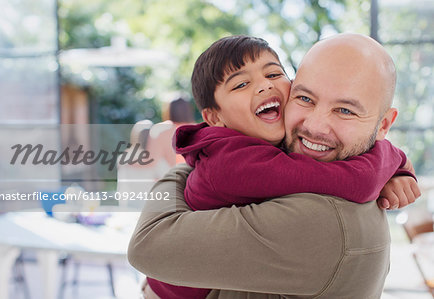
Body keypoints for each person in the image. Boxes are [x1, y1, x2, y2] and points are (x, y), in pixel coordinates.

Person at [128, 33, 421, 298]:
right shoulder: (236, 161)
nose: (315, 126)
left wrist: (396, 165)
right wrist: (391, 161)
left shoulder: (320, 220)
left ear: (383, 125)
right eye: (305, 98)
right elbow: (357, 180)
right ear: (214, 117)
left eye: (345, 110)